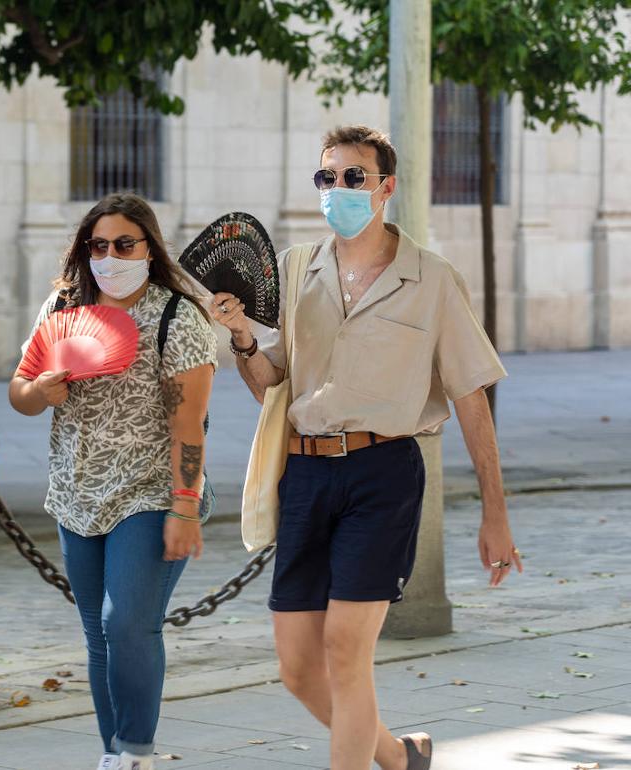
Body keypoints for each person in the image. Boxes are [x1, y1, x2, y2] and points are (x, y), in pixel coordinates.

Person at [210, 125, 521, 770]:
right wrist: (241, 335)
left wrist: (496, 513)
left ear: (387, 187)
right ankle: (400, 756)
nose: (339, 190)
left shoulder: (432, 279)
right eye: (328, 178)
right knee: (298, 668)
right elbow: (271, 379)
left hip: (383, 474)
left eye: (355, 177)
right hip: (304, 472)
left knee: (348, 653)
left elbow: (470, 397)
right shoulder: (299, 268)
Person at [9, 192, 218, 770]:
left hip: (151, 491)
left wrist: (183, 506)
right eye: (97, 245)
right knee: (98, 638)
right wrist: (39, 390)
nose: (110, 255)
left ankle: (136, 754)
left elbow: (189, 424)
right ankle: (112, 755)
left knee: (125, 622)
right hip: (76, 493)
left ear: (149, 248)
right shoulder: (63, 306)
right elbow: (19, 391)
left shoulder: (178, 316)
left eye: (124, 243)